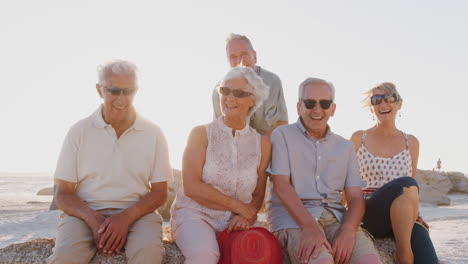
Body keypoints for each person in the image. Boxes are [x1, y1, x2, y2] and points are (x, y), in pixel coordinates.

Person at [47, 60, 172, 264]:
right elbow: (63, 194)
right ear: (99, 90)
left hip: (139, 213)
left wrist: (125, 218)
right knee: (65, 257)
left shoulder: (154, 133)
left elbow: (160, 193)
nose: (121, 98)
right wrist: (93, 219)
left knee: (148, 254)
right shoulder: (78, 132)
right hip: (84, 214)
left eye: (128, 91)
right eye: (114, 90)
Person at [267, 77, 381, 264]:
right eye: (310, 103)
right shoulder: (282, 135)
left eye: (324, 103)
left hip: (335, 219)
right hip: (293, 219)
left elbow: (355, 198)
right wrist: (309, 227)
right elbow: (281, 186)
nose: (317, 110)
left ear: (333, 109)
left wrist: (348, 230)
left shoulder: (345, 147)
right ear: (298, 107)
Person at [171, 66, 275, 263]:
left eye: (239, 93)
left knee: (263, 252)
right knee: (205, 255)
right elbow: (192, 187)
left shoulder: (263, 144)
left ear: (253, 100)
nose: (229, 98)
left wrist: (246, 216)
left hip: (236, 221)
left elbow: (258, 194)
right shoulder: (201, 134)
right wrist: (238, 206)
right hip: (195, 215)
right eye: (224, 90)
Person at [350, 82, 438, 264]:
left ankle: (408, 247)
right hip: (369, 213)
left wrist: (416, 216)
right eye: (376, 100)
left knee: (427, 255)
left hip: (403, 217)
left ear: (399, 104)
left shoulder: (411, 142)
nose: (383, 104)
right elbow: (346, 181)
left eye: (390, 98)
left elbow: (410, 190)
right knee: (406, 184)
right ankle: (404, 255)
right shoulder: (359, 138)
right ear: (371, 107)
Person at [212, 33, 288, 136]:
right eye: (233, 57)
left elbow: (280, 126)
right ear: (228, 61)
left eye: (244, 54)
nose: (240, 62)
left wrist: (258, 149)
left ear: (255, 56)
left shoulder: (272, 81)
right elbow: (218, 131)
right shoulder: (219, 91)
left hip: (268, 147)